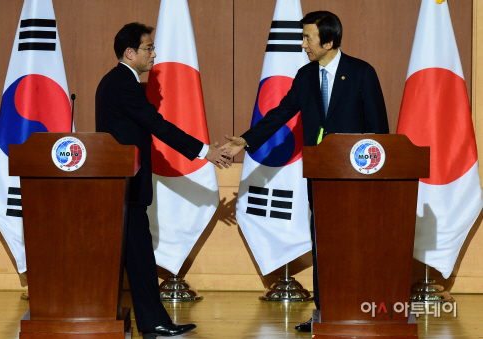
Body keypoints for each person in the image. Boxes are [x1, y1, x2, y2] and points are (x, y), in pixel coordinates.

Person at [222, 11, 389, 332]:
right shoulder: (305, 75)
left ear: (328, 41)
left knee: (357, 242)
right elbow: (280, 113)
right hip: (319, 172)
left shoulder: (361, 72)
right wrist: (244, 140)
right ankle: (324, 312)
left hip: (357, 176)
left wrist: (377, 176)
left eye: (308, 38)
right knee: (323, 241)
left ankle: (361, 307)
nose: (303, 45)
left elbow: (378, 129)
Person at [96, 22, 231, 338]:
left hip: (126, 186)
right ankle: (154, 323)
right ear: (130, 53)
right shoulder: (122, 83)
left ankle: (154, 322)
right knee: (140, 257)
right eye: (149, 47)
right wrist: (204, 151)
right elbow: (156, 124)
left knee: (140, 256)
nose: (154, 53)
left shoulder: (119, 82)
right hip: (124, 186)